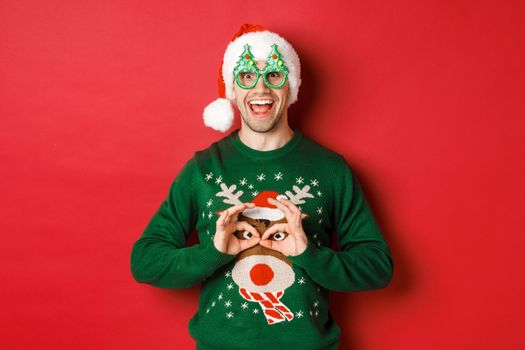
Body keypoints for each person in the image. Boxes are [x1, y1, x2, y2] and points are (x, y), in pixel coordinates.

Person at [130, 23, 393, 350]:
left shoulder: (330, 170)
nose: (261, 90)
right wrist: (213, 253)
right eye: (246, 77)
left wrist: (308, 254)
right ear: (232, 89)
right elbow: (145, 261)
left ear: (291, 86)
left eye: (273, 75)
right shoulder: (203, 170)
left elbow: (378, 266)